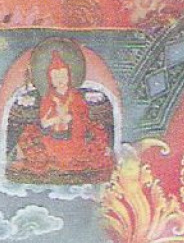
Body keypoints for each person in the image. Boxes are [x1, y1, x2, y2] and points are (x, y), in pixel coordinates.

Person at [13, 52, 111, 180]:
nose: (60, 80)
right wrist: (55, 120)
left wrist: (72, 119)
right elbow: (44, 123)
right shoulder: (48, 98)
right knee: (35, 145)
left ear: (69, 76)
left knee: (88, 147)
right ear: (50, 79)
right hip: (52, 138)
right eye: (56, 77)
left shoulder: (76, 97)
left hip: (75, 138)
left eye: (63, 76)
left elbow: (84, 117)